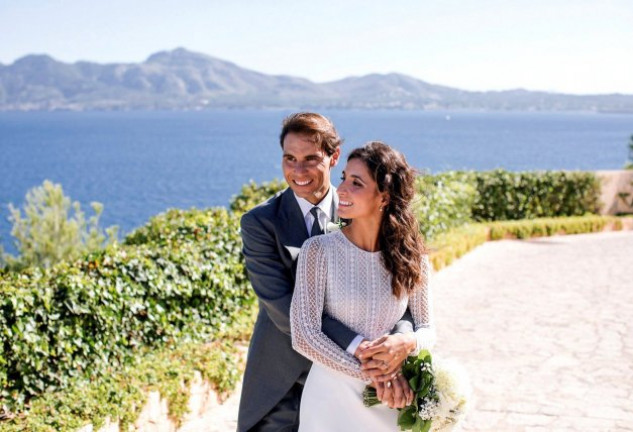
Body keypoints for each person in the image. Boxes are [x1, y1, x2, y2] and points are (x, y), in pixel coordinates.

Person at [238, 114, 414, 432]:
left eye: (310, 159)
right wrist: (363, 352)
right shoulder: (260, 223)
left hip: (359, 386)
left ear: (333, 158)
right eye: (289, 159)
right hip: (286, 384)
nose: (298, 171)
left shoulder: (364, 209)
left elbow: (401, 294)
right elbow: (285, 310)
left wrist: (400, 342)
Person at [290, 141, 436, 431]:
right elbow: (304, 334)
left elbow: (428, 329)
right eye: (343, 177)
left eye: (356, 183)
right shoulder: (318, 251)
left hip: (389, 402)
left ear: (383, 196)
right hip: (332, 400)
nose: (341, 189)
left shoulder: (413, 258)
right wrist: (378, 376)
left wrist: (409, 343)